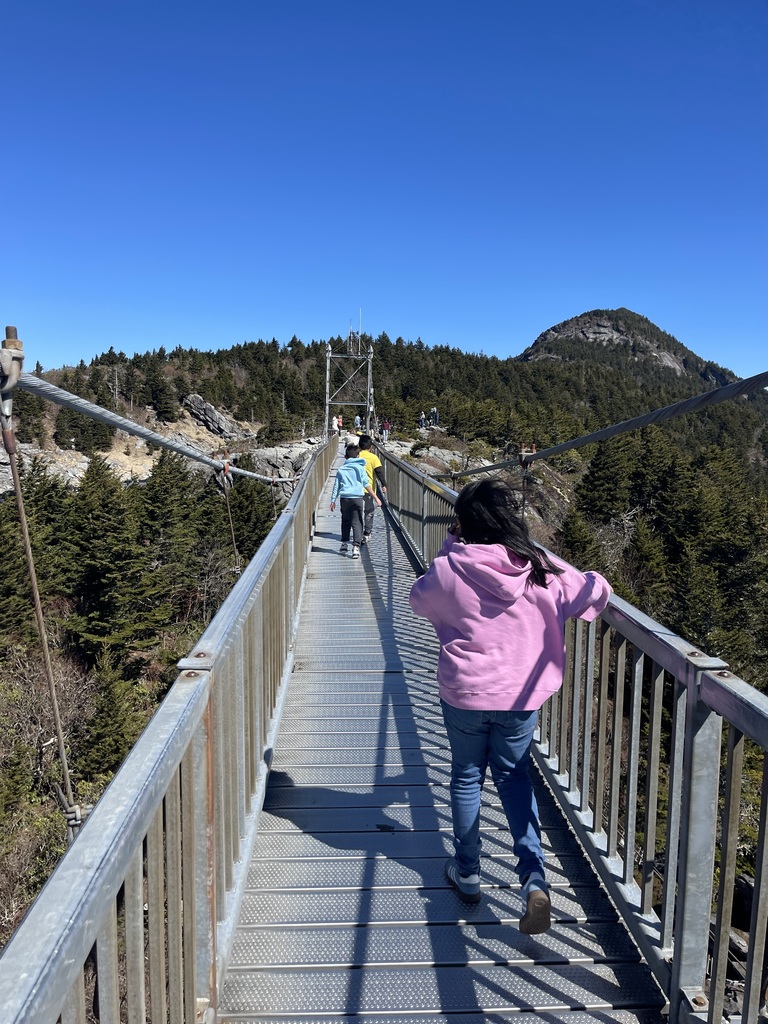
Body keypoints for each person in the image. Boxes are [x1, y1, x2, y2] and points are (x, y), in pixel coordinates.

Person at [409, 478, 611, 933]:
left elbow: (417, 601)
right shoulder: (541, 570)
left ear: (463, 524)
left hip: (465, 693)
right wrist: (567, 566)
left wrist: (449, 546)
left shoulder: (448, 568)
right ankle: (533, 879)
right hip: (520, 697)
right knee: (515, 778)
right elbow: (594, 593)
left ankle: (467, 872)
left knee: (465, 777)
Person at [330, 444, 382, 558]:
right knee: (357, 522)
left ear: (345, 456)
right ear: (358, 456)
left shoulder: (341, 469)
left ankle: (344, 544)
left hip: (345, 499)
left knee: (345, 520)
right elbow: (366, 484)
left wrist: (333, 500)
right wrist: (376, 497)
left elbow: (336, 486)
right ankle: (356, 547)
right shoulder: (360, 468)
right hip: (357, 498)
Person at [357, 434, 388, 545]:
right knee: (369, 511)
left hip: (356, 490)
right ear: (370, 447)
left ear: (359, 446)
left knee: (358, 512)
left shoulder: (356, 456)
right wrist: (384, 484)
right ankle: (367, 532)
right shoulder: (373, 457)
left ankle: (358, 533)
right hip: (369, 490)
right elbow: (379, 472)